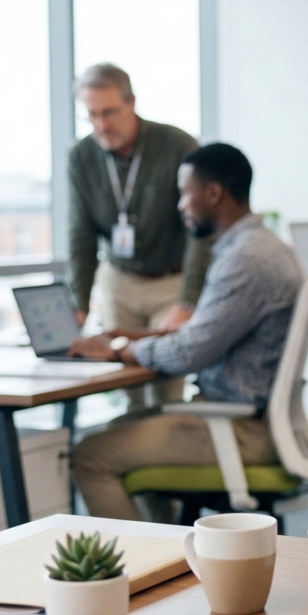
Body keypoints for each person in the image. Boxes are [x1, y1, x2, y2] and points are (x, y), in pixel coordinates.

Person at [66, 143, 302, 521]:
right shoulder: (261, 247)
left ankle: (140, 571)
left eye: (183, 193)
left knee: (90, 455)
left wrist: (120, 349)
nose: (179, 205)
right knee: (119, 426)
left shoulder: (244, 259)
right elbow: (206, 332)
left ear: (212, 193)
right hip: (247, 419)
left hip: (239, 430)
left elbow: (191, 352)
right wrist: (134, 336)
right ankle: (166, 554)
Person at [68, 63, 209, 408]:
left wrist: (187, 300)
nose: (102, 125)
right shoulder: (82, 156)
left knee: (166, 386)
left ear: (131, 102)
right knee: (128, 390)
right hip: (119, 283)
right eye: (92, 115)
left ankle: (161, 453)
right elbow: (81, 237)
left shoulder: (176, 144)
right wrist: (79, 305)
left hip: (169, 283)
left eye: (110, 112)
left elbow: (200, 230)